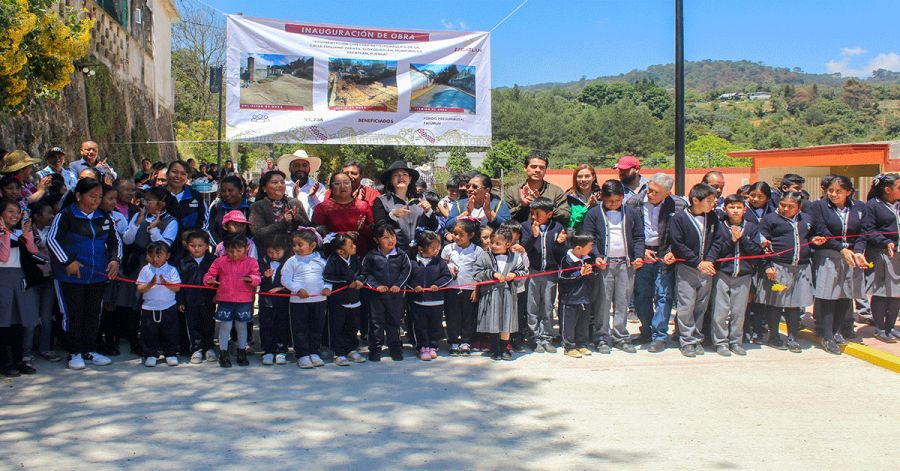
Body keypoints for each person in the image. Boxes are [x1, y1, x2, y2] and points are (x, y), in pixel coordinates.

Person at [48, 178, 120, 370]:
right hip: (71, 276)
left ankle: (90, 349)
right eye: (92, 196)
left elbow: (115, 242)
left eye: (99, 197)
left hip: (97, 276)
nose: (96, 201)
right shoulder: (65, 216)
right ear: (78, 196)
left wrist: (114, 260)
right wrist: (68, 261)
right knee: (73, 313)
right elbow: (52, 240)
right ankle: (74, 351)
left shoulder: (104, 217)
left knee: (93, 313)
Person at [757, 191, 826, 352]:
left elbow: (810, 238)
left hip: (801, 267)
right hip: (778, 266)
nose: (786, 209)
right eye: (783, 205)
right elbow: (762, 244)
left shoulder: (806, 220)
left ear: (799, 207)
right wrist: (767, 265)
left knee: (794, 305)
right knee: (776, 303)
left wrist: (814, 241)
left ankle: (793, 337)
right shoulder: (770, 220)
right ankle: (774, 336)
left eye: (791, 206)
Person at [806, 176, 868, 353]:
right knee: (828, 296)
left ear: (848, 192)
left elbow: (864, 232)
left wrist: (858, 251)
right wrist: (841, 249)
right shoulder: (818, 206)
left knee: (845, 294)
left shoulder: (859, 207)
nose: (833, 194)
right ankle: (826, 335)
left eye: (839, 191)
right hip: (829, 255)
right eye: (831, 190)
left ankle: (836, 330)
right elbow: (821, 229)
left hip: (852, 256)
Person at [583, 180, 645, 354]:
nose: (613, 204)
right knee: (603, 301)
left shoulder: (631, 213)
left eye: (617, 201)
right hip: (604, 265)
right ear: (602, 197)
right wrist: (596, 256)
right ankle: (602, 336)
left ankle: (621, 336)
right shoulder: (594, 214)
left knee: (622, 301)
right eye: (609, 201)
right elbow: (590, 238)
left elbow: (639, 236)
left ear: (622, 198)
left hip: (625, 264)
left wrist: (638, 256)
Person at [627, 173, 687, 349]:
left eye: (655, 192)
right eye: (649, 189)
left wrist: (671, 252)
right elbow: (628, 232)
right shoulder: (634, 203)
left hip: (665, 256)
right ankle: (646, 330)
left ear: (667, 194)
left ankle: (660, 335)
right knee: (642, 295)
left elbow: (681, 233)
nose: (650, 194)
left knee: (663, 295)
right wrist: (640, 251)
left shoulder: (679, 205)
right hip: (642, 254)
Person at [705, 194, 765, 356]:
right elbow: (716, 250)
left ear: (744, 210)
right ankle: (721, 342)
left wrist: (743, 239)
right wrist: (731, 240)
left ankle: (736, 341)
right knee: (720, 311)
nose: (735, 211)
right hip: (722, 273)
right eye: (732, 207)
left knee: (739, 311)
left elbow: (757, 251)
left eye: (739, 207)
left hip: (743, 275)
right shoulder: (719, 226)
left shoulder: (751, 227)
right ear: (725, 209)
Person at [668, 183, 719, 357]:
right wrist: (697, 262)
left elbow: (717, 241)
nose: (713, 203)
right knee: (686, 305)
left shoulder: (712, 217)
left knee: (701, 305)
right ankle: (687, 340)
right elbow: (678, 243)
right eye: (709, 200)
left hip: (707, 269)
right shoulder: (679, 218)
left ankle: (697, 337)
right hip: (687, 269)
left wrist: (709, 260)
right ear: (695, 200)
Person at [518, 197, 566, 353]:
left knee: (547, 306)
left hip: (550, 273)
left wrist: (559, 243)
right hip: (533, 272)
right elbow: (523, 249)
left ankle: (546, 337)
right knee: (532, 307)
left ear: (549, 214)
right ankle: (534, 338)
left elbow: (561, 254)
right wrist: (534, 236)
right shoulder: (526, 227)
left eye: (537, 213)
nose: (534, 217)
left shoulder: (557, 227)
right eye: (532, 213)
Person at [203, 236, 260, 368]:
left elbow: (257, 277)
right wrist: (209, 280)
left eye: (239, 251)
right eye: (231, 251)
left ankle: (242, 353)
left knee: (242, 327)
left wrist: (251, 279)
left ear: (246, 249)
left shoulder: (252, 262)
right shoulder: (219, 261)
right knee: (225, 327)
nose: (234, 254)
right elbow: (209, 274)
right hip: (225, 299)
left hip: (244, 300)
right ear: (225, 249)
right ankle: (223, 354)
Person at [473, 227, 528, 361]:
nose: (493, 246)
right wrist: (492, 274)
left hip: (508, 295)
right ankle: (495, 349)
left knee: (506, 322)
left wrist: (514, 274)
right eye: (492, 242)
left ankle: (504, 349)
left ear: (508, 244)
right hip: (491, 295)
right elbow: (476, 272)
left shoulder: (515, 257)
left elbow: (524, 272)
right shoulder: (485, 256)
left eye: (498, 243)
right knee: (493, 321)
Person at [0, 198, 39, 376]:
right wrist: (5, 233)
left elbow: (33, 251)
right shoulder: (3, 233)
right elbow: (4, 256)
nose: (15, 215)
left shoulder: (18, 233)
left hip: (19, 279)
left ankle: (18, 359)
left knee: (18, 322)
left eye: (17, 212)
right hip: (3, 279)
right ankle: (5, 362)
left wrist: (26, 234)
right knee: (3, 324)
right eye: (10, 211)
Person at [281, 228, 330, 369]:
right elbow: (285, 280)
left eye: (300, 245)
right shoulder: (292, 261)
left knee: (317, 327)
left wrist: (328, 288)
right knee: (300, 328)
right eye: (294, 245)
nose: (296, 248)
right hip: (299, 302)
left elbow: (328, 277)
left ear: (313, 245)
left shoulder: (320, 260)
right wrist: (297, 289)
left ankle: (314, 352)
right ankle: (302, 354)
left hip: (319, 301)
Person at [362, 224, 411, 362]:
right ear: (377, 240)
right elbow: (366, 273)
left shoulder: (401, 255)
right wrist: (376, 286)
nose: (391, 240)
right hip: (376, 296)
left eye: (393, 236)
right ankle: (375, 348)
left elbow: (406, 271)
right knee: (376, 322)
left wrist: (398, 285)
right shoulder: (371, 256)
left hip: (395, 296)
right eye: (385, 237)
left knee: (394, 322)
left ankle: (395, 347)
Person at [862, 173, 900, 343]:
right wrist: (885, 242)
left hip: (898, 254)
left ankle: (890, 328)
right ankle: (880, 328)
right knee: (882, 292)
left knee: (896, 293)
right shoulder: (873, 206)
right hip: (881, 254)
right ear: (887, 189)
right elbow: (868, 230)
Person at [406, 231, 452, 361]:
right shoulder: (413, 262)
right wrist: (415, 286)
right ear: (421, 249)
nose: (437, 250)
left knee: (435, 325)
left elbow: (447, 276)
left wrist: (437, 285)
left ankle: (433, 345)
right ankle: (422, 346)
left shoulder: (440, 262)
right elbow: (408, 278)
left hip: (436, 302)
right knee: (420, 326)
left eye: (438, 247)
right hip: (418, 302)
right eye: (433, 248)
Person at [372, 161, 437, 252]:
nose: (401, 177)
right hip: (395, 252)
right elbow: (379, 229)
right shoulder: (381, 201)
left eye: (404, 174)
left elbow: (433, 226)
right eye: (396, 175)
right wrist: (393, 216)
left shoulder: (420, 198)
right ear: (390, 180)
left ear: (410, 179)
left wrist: (429, 211)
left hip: (420, 251)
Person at [323, 233, 367, 365]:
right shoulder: (333, 260)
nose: (354, 246)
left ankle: (352, 349)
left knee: (352, 326)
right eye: (351, 245)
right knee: (337, 326)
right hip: (338, 301)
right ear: (340, 251)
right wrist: (347, 282)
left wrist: (359, 280)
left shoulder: (355, 259)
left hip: (354, 299)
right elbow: (327, 276)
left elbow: (363, 272)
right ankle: (338, 352)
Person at [441, 218, 483, 356]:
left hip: (469, 290)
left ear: (470, 235)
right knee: (452, 315)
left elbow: (479, 272)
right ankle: (453, 341)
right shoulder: (448, 248)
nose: (457, 237)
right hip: (451, 289)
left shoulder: (477, 251)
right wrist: (448, 268)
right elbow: (441, 265)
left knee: (468, 316)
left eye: (461, 234)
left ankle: (466, 341)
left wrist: (476, 290)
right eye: (455, 233)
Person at [135, 241, 181, 367]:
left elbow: (177, 288)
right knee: (149, 332)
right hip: (149, 308)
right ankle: (150, 354)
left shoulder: (171, 269)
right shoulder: (145, 269)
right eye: (152, 255)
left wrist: (165, 283)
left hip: (168, 306)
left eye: (159, 255)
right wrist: (150, 284)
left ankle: (170, 353)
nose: (155, 259)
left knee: (170, 331)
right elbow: (140, 288)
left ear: (167, 256)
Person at [25, 201, 61, 363]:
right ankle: (26, 351)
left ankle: (45, 348)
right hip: (33, 278)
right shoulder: (27, 233)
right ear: (37, 216)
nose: (52, 216)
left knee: (46, 316)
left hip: (50, 277)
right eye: (48, 213)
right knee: (30, 315)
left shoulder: (53, 231)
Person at [178, 230, 218, 364]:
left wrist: (217, 294)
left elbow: (219, 280)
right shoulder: (184, 262)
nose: (196, 248)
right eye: (192, 245)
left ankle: (209, 348)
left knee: (208, 324)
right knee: (193, 325)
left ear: (207, 246)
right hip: (190, 300)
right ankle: (196, 349)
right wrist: (181, 300)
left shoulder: (213, 260)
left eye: (200, 245)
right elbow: (180, 283)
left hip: (208, 299)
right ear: (187, 246)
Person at [311, 172, 375, 255]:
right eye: (337, 183)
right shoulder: (322, 208)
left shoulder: (363, 206)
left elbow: (374, 232)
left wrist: (363, 228)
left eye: (346, 183)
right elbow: (317, 234)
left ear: (351, 185)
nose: (342, 186)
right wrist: (342, 235)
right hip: (334, 255)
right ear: (331, 187)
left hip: (361, 254)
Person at [249, 170, 311, 254]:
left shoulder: (294, 203)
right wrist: (282, 224)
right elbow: (258, 233)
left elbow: (309, 229)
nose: (280, 185)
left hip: (295, 253)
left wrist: (297, 219)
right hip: (269, 254)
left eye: (282, 182)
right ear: (264, 188)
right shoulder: (257, 206)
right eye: (275, 182)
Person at [557, 231, 596, 359]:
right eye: (590, 246)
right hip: (570, 299)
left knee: (583, 323)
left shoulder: (588, 258)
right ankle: (568, 346)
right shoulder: (566, 259)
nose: (592, 248)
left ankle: (582, 344)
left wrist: (591, 272)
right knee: (569, 324)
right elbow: (563, 278)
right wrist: (580, 274)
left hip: (584, 297)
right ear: (579, 248)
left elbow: (592, 275)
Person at [503, 152, 569, 224]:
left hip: (547, 233)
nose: (537, 170)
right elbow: (503, 217)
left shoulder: (556, 191)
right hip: (520, 233)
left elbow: (566, 216)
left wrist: (543, 205)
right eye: (533, 167)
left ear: (545, 170)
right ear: (525, 168)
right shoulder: (513, 191)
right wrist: (522, 206)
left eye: (542, 167)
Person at [165, 161, 207, 248]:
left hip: (189, 248)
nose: (178, 176)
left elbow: (204, 222)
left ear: (187, 177)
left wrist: (191, 236)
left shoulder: (196, 196)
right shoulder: (157, 194)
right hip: (161, 247)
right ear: (167, 174)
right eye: (174, 172)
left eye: (183, 174)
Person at [447, 173, 511, 229]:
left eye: (475, 186)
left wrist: (489, 212)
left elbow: (509, 227)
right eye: (468, 186)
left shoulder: (499, 204)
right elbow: (448, 225)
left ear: (487, 190)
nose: (470, 189)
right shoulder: (459, 204)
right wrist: (467, 213)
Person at [277, 150, 327, 219]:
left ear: (309, 168)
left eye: (304, 165)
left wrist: (313, 197)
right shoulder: (282, 187)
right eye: (296, 165)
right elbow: (278, 211)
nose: (300, 168)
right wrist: (294, 199)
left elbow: (323, 211)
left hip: (313, 228)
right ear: (289, 168)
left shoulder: (319, 187)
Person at [206, 175, 251, 246]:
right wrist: (220, 247)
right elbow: (210, 229)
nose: (227, 194)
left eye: (230, 190)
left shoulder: (250, 207)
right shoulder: (216, 207)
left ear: (241, 190)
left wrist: (245, 248)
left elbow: (253, 232)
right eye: (223, 191)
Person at [566, 164, 601, 230]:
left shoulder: (601, 196)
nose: (583, 179)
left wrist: (597, 207)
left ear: (593, 177)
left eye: (587, 176)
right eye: (579, 177)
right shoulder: (569, 198)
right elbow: (570, 224)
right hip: (577, 237)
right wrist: (586, 209)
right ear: (575, 179)